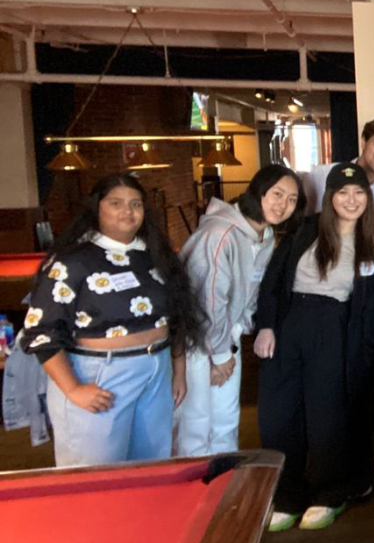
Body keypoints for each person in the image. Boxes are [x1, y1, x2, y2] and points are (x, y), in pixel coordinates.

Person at [21, 173, 203, 466]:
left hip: (156, 369)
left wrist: (178, 370)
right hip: (99, 374)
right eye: (116, 203)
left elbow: (178, 315)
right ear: (97, 208)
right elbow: (39, 330)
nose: (127, 211)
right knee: (96, 472)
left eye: (135, 204)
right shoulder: (73, 261)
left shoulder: (154, 255)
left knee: (150, 466)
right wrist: (73, 388)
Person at [253, 162, 374, 531]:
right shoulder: (305, 229)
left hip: (335, 331)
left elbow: (369, 312)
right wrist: (266, 326)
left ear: (368, 199)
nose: (351, 199)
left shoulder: (370, 251)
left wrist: (361, 359)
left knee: (327, 416)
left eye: (359, 192)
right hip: (290, 323)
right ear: (330, 197)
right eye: (342, 193)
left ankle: (329, 493)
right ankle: (287, 494)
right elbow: (273, 281)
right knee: (279, 413)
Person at [175, 165, 305, 457]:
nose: (283, 204)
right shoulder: (219, 233)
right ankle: (195, 493)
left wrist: (232, 340)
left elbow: (252, 292)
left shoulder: (265, 235)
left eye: (292, 199)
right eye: (277, 194)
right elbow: (208, 299)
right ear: (258, 192)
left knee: (226, 421)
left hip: (227, 338)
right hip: (197, 344)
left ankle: (223, 488)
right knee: (196, 424)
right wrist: (219, 354)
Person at [304, 117, 374, 286]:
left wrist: (362, 293)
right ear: (363, 141)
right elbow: (300, 230)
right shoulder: (321, 175)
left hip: (358, 285)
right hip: (310, 278)